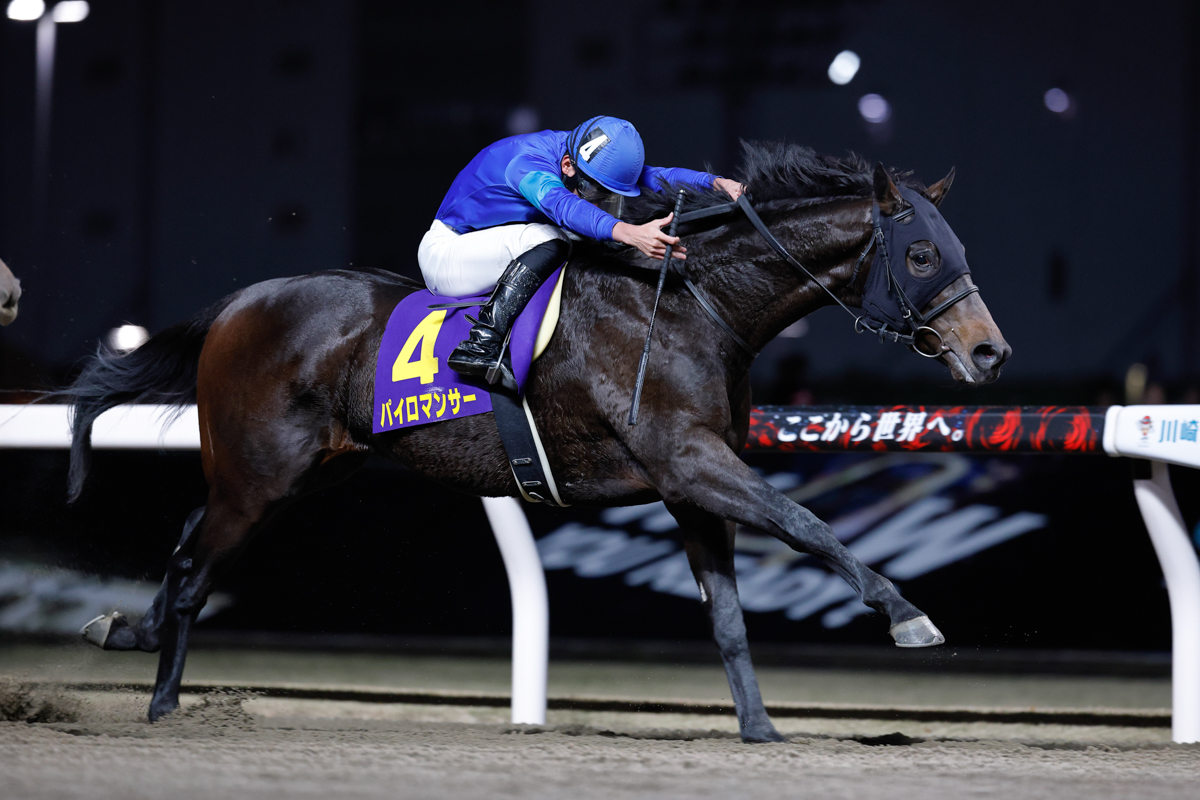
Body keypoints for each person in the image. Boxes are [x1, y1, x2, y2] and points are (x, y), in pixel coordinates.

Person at [419, 115, 744, 388]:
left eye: (607, 194)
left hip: (497, 244)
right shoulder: (526, 163)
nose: (596, 200)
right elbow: (562, 206)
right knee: (552, 237)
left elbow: (657, 177)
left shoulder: (579, 154)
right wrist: (629, 233)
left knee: (584, 241)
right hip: (448, 252)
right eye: (592, 190)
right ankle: (482, 343)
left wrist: (717, 183)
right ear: (567, 166)